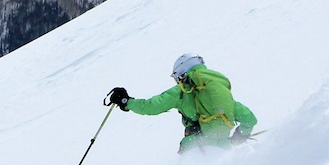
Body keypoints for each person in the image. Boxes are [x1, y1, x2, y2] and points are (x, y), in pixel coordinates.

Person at [107, 53, 257, 153]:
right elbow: (250, 118)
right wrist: (238, 137)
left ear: (182, 73)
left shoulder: (183, 91)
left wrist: (126, 101)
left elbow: (151, 107)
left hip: (195, 148)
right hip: (224, 148)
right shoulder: (221, 95)